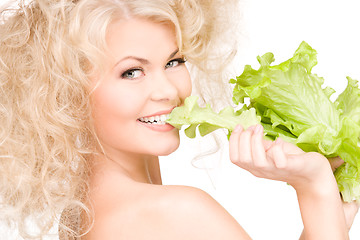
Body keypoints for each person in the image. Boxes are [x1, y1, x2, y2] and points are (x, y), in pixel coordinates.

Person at [0, 0, 358, 239]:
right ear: (66, 93)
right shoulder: (176, 211)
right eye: (131, 72)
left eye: (173, 62)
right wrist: (315, 187)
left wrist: (326, 222)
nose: (167, 90)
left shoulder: (86, 211)